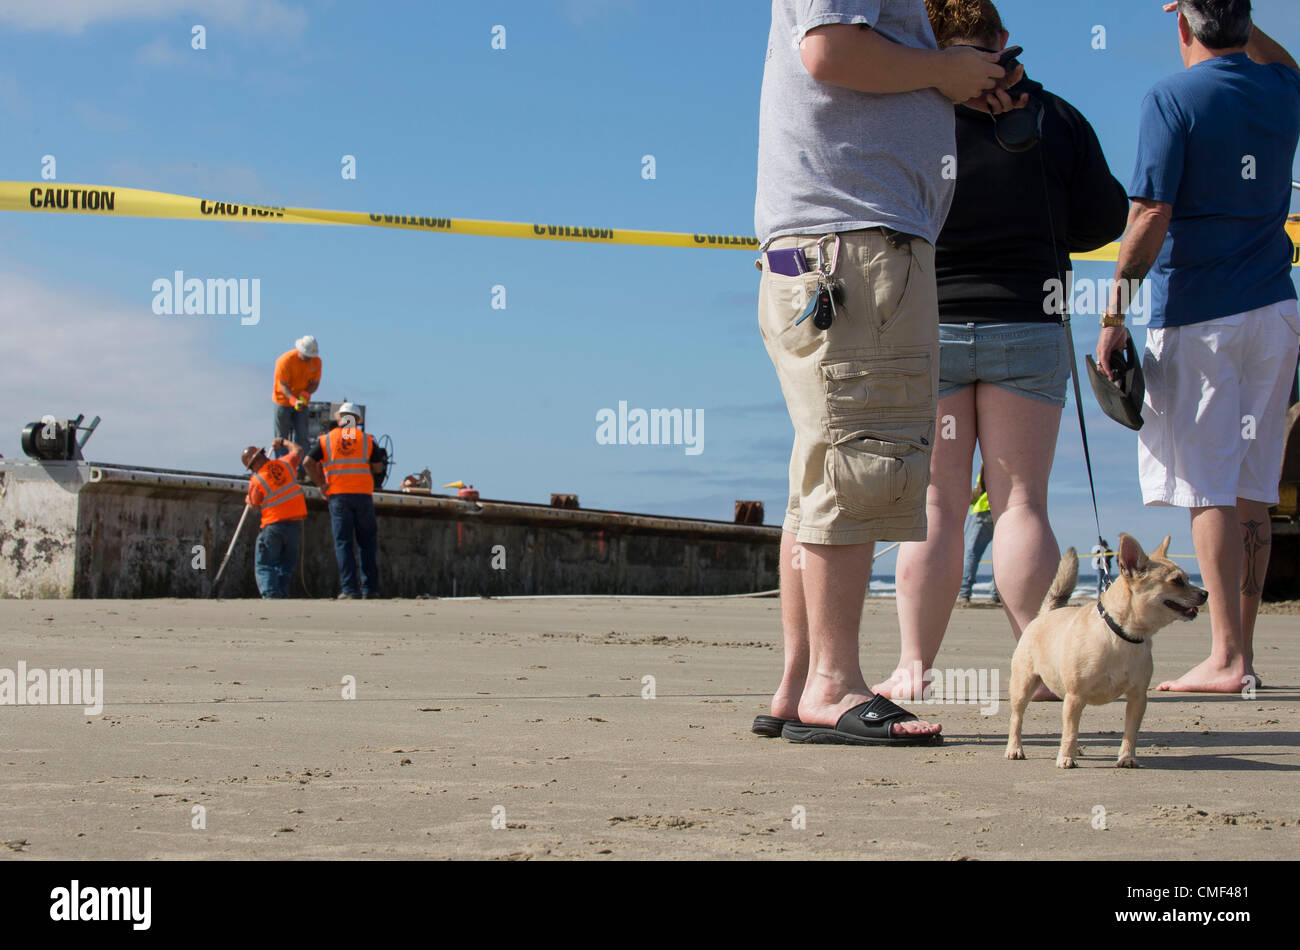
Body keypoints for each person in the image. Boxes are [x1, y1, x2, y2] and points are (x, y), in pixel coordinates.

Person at [753, 0, 1028, 744]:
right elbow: (831, 52)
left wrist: (948, 82)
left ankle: (802, 681)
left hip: (833, 246)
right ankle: (833, 686)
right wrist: (945, 69)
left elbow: (844, 55)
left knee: (826, 462)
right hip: (857, 244)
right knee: (862, 456)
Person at [876, 0, 1129, 700]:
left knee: (937, 506)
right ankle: (1041, 665)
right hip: (1028, 319)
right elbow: (1104, 218)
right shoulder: (1057, 118)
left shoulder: (914, 112)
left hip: (933, 322)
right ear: (1004, 40)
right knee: (1022, 505)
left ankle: (913, 669)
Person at [1095, 0, 1300, 693]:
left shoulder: (1171, 97)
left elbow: (1151, 213)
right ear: (1243, 22)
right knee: (1252, 488)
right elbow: (1286, 63)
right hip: (1275, 311)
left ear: (1180, 25)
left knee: (1208, 486)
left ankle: (1225, 657)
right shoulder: (1279, 89)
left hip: (1203, 314)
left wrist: (1113, 312)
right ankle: (1239, 656)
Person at [303, 402, 386, 600]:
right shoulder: (366, 440)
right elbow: (377, 468)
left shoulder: (326, 440)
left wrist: (320, 484)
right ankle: (370, 590)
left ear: (339, 418)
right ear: (358, 420)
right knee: (367, 543)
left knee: (344, 544)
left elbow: (307, 462)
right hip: (363, 496)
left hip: (338, 496)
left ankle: (350, 590)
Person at [243, 438, 307, 599]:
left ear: (254, 465)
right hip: (294, 524)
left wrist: (248, 500)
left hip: (273, 525)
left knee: (264, 563)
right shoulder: (285, 464)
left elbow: (254, 505)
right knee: (285, 566)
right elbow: (298, 450)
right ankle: (281, 595)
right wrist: (284, 442)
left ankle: (271, 596)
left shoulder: (257, 480)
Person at [272, 336, 322, 471]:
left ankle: (301, 469)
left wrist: (305, 395)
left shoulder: (316, 362)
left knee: (302, 436)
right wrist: (293, 400)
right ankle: (282, 467)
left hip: (302, 403)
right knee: (281, 437)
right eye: (306, 356)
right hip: (283, 401)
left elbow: (314, 383)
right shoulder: (285, 361)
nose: (308, 359)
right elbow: (283, 385)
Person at [959, 466, 999, 605]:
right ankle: (997, 594)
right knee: (1000, 555)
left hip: (986, 511)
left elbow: (979, 489)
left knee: (972, 553)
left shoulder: (988, 462)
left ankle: (964, 592)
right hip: (1004, 510)